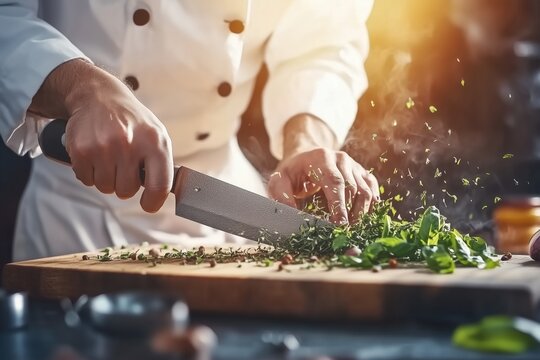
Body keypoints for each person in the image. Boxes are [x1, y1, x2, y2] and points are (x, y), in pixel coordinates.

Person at [0, 0, 379, 261]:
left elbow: (324, 41)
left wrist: (306, 142)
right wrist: (81, 87)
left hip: (229, 210)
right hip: (78, 216)